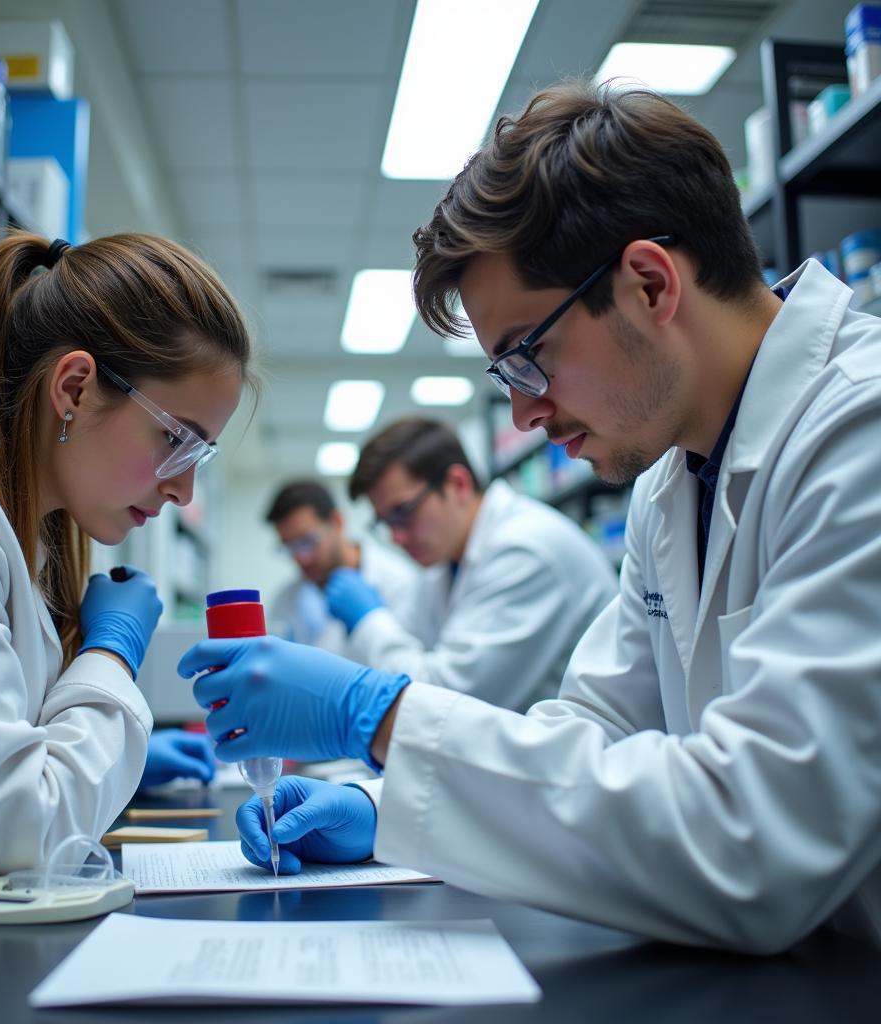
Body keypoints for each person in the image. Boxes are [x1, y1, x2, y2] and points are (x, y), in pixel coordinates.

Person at [179, 79, 881, 953]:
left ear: (649, 285)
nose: (522, 417)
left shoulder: (861, 434)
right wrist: (381, 803)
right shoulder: (670, 481)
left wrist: (382, 715)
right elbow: (597, 726)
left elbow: (757, 837)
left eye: (527, 356)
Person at [0, 231, 253, 941]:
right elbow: (23, 841)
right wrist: (110, 656)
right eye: (176, 440)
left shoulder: (21, 520)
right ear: (73, 388)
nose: (186, 489)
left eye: (203, 453)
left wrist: (115, 768)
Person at [329, 416, 616, 710]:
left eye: (402, 512)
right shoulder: (442, 563)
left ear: (458, 484)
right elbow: (412, 656)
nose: (396, 537)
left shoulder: (525, 550)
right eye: (385, 522)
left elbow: (445, 701)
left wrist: (369, 621)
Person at [265, 479, 418, 655]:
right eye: (289, 547)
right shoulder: (286, 600)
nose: (301, 558)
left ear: (337, 521)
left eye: (307, 541)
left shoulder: (399, 582)